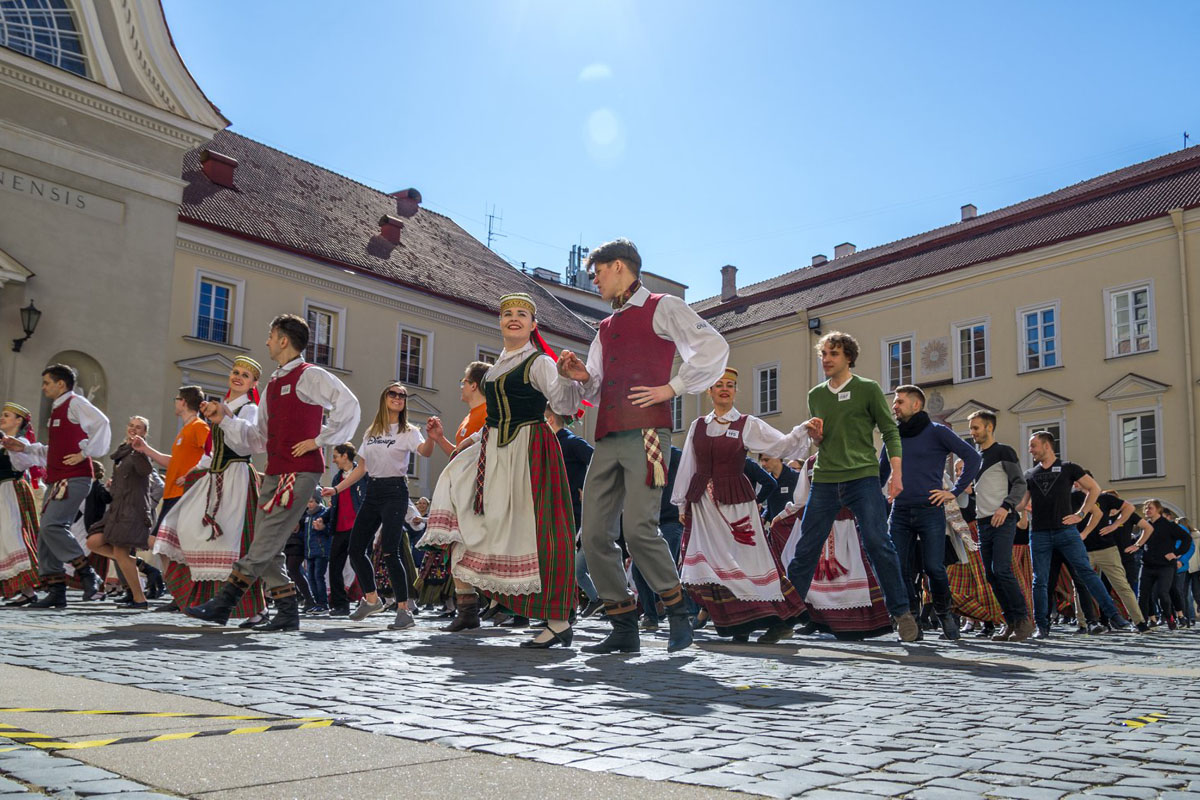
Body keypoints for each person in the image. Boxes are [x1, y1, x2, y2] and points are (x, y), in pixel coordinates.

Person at [556, 238, 729, 654]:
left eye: (597, 272)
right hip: (608, 437)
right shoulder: (604, 327)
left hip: (648, 434)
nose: (593, 279)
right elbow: (597, 390)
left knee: (637, 528)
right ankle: (622, 624)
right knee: (594, 535)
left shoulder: (662, 306)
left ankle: (677, 611)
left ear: (619, 266)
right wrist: (582, 376)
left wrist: (671, 388)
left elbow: (714, 348)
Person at [424, 293, 581, 648]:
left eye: (521, 314)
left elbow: (563, 404)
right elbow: (493, 418)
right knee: (469, 504)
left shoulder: (540, 362)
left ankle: (558, 620)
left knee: (541, 530)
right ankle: (478, 597)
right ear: (499, 322)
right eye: (507, 314)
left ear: (533, 324)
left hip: (531, 449)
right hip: (496, 450)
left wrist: (568, 378)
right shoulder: (496, 366)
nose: (514, 319)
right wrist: (466, 443)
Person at [186, 313, 360, 631]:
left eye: (270, 335)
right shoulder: (274, 384)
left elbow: (349, 406)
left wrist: (318, 440)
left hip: (300, 473)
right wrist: (224, 418)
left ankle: (224, 603)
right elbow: (257, 438)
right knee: (266, 546)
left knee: (264, 543)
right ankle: (287, 610)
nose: (266, 341)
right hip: (275, 471)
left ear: (282, 340)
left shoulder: (310, 375)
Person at [783, 333, 919, 641]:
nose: (827, 359)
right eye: (824, 354)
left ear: (848, 357)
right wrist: (816, 438)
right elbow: (821, 440)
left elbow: (889, 431)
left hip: (862, 477)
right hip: (826, 479)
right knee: (805, 548)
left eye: (833, 354)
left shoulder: (867, 389)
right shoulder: (815, 395)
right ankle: (787, 615)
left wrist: (896, 474)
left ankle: (901, 613)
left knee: (878, 543)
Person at [675, 368, 812, 643]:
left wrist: (803, 430)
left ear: (736, 391)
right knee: (714, 565)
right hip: (703, 506)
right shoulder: (697, 425)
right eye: (719, 385)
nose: (725, 389)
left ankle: (782, 619)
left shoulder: (747, 424)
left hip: (737, 506)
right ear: (709, 391)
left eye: (730, 385)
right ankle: (737, 622)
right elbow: (688, 464)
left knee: (750, 562)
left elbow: (781, 445)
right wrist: (681, 504)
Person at [153, 357, 267, 624]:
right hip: (215, 477)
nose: (238, 377)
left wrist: (224, 418)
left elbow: (245, 443)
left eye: (245, 375)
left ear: (253, 383)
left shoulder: (249, 409)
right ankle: (205, 599)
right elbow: (214, 449)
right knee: (183, 525)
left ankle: (254, 608)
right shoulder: (224, 406)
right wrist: (195, 470)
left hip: (237, 477)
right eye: (235, 372)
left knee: (232, 542)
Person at [324, 382, 435, 630]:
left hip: (395, 491)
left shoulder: (408, 431)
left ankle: (404, 610)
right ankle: (372, 599)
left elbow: (425, 452)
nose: (398, 398)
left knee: (390, 551)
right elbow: (361, 468)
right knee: (355, 549)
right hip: (373, 491)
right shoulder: (371, 432)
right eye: (393, 394)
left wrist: (433, 438)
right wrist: (337, 489)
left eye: (402, 395)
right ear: (384, 398)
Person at [2, 364, 109, 608]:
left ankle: (86, 573)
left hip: (74, 477)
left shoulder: (75, 402)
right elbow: (55, 452)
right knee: (45, 535)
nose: (44, 387)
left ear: (61, 384)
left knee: (52, 526)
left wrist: (85, 453)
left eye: (47, 382)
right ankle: (56, 590)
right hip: (58, 478)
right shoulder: (59, 408)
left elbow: (102, 423)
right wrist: (25, 448)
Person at [882, 385, 981, 640]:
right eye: (895, 402)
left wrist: (955, 491)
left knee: (934, 568)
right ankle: (912, 620)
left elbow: (972, 458)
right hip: (900, 511)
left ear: (916, 405)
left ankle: (945, 614)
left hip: (930, 510)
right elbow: (882, 471)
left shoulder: (937, 431)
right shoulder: (892, 434)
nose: (894, 406)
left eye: (900, 402)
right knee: (899, 568)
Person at [1021, 431, 1131, 638]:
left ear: (1047, 446)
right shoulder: (1029, 474)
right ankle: (1042, 626)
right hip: (1039, 534)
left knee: (1086, 574)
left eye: (1033, 445)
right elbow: (1023, 502)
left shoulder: (1068, 467)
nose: (1030, 450)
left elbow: (1094, 489)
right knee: (1040, 580)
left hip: (1066, 531)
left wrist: (1080, 515)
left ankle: (1114, 616)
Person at [133, 385, 210, 613]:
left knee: (162, 543)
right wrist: (147, 449)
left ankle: (183, 594)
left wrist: (191, 474)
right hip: (172, 495)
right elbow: (173, 462)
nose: (175, 403)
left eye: (177, 399)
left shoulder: (199, 426)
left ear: (183, 402)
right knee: (164, 546)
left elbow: (212, 454)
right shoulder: (184, 430)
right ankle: (180, 594)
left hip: (184, 496)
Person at [965, 410, 1033, 641]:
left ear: (989, 428)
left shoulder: (1004, 451)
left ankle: (1023, 620)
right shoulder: (976, 457)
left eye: (976, 428)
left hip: (1003, 518)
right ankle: (1010, 622)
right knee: (991, 575)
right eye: (971, 428)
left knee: (1002, 569)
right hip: (983, 521)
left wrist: (1006, 507)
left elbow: (1019, 483)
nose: (972, 432)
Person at [84, 416, 155, 609]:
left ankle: (139, 599)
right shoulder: (123, 451)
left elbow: (146, 471)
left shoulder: (139, 451)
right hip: (117, 508)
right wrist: (113, 486)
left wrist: (141, 449)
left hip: (131, 510)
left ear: (144, 432)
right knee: (94, 542)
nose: (134, 429)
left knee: (120, 553)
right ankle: (144, 568)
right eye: (131, 425)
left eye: (139, 427)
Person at [1070, 478, 1147, 632]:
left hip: (1106, 549)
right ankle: (1083, 624)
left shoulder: (1104, 498)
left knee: (1122, 586)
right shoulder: (1072, 499)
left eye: (1078, 480)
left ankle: (1140, 623)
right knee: (1080, 587)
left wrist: (1115, 525)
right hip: (1083, 549)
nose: (1074, 483)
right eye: (1074, 481)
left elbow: (1129, 508)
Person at [544, 409, 599, 617]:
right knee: (557, 563)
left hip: (571, 512)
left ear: (549, 420)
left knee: (562, 563)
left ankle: (565, 612)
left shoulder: (571, 441)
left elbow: (597, 461)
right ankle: (561, 611)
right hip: (555, 510)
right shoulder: (551, 444)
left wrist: (590, 490)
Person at [0, 402, 41, 605]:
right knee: (3, 539)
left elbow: (22, 464)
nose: (2, 418)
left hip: (12, 490)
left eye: (7, 415)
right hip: (1, 492)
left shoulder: (21, 442)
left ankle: (29, 589)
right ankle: (21, 589)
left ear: (19, 421)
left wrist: (10, 446)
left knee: (13, 535)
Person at [326, 443, 365, 616]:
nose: (333, 460)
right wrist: (324, 519)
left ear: (345, 456)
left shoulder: (363, 475)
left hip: (358, 527)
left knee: (361, 564)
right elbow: (334, 505)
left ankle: (369, 600)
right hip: (340, 528)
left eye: (335, 456)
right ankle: (340, 605)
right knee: (334, 566)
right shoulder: (336, 479)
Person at [1136, 500, 1188, 628]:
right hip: (1147, 565)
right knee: (1143, 595)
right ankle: (1142, 623)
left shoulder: (1168, 525)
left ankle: (1169, 616)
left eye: (1150, 508)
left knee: (1162, 593)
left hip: (1165, 566)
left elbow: (1187, 538)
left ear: (1158, 509)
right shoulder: (1145, 526)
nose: (1147, 510)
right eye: (1146, 508)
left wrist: (1176, 553)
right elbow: (1140, 541)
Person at [302, 492, 331, 613]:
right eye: (308, 502)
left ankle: (323, 603)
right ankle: (316, 602)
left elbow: (329, 531)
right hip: (309, 551)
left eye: (312, 501)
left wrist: (322, 528)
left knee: (319, 576)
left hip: (321, 551)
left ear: (318, 501)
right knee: (311, 577)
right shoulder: (307, 516)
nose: (309, 504)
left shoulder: (323, 514)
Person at [759, 454, 799, 526]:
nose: (763, 464)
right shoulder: (767, 480)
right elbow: (770, 506)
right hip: (775, 529)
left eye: (766, 460)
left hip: (793, 528)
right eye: (761, 460)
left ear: (777, 456)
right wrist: (763, 517)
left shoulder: (796, 477)